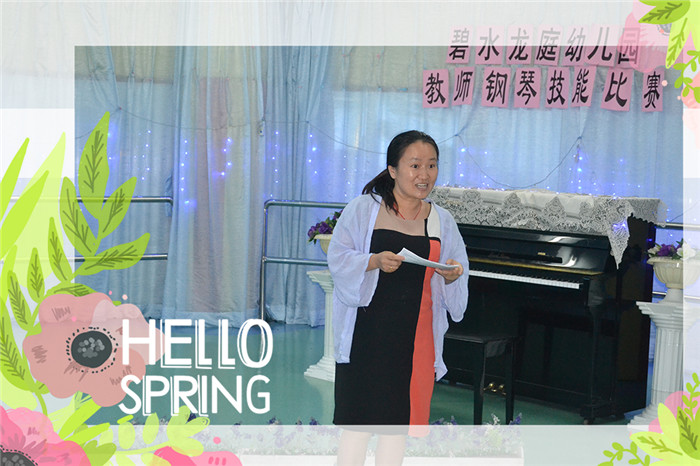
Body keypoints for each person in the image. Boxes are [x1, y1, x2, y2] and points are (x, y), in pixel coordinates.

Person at [326, 130, 469, 465]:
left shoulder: (442, 220)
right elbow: (338, 257)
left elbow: (457, 268)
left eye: (432, 165)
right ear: (392, 169)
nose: (424, 175)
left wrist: (451, 275)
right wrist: (372, 261)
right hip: (367, 335)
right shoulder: (363, 209)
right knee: (357, 425)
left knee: (397, 427)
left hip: (416, 337)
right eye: (415, 165)